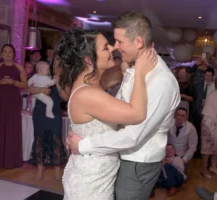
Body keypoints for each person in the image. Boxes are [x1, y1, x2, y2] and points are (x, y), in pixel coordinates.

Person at [67, 11, 180, 200]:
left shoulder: (161, 82)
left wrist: (84, 145)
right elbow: (117, 109)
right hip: (120, 157)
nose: (115, 47)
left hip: (137, 161)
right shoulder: (133, 67)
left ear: (137, 42)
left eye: (119, 41)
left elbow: (133, 135)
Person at [57, 28, 157, 200]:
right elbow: (137, 114)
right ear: (89, 60)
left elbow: (120, 72)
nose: (112, 48)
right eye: (105, 47)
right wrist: (140, 73)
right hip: (90, 184)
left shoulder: (92, 82)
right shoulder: (87, 94)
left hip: (96, 175)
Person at [28, 54, 69, 180]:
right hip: (40, 110)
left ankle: (57, 168)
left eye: (59, 61)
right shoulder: (42, 72)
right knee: (39, 137)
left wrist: (57, 83)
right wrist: (41, 90)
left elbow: (66, 97)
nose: (57, 63)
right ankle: (40, 168)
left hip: (55, 111)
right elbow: (29, 89)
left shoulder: (65, 77)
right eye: (55, 60)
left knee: (56, 138)